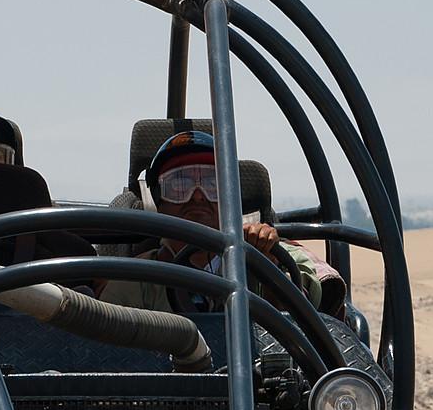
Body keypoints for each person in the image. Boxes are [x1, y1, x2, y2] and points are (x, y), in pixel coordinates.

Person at [101, 130, 332, 313]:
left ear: (230, 198)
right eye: (180, 185)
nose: (198, 195)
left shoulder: (275, 255)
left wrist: (269, 268)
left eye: (213, 184)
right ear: (158, 201)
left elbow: (309, 318)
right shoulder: (137, 278)